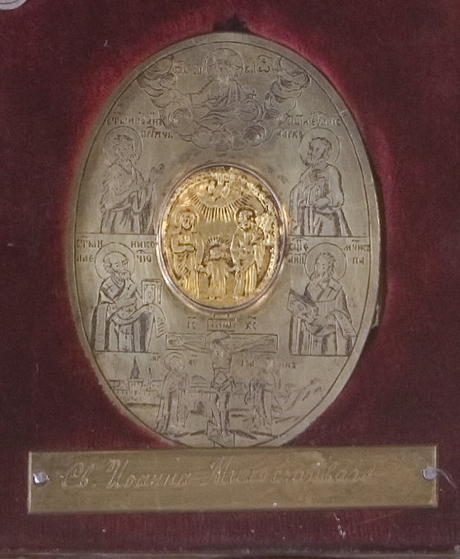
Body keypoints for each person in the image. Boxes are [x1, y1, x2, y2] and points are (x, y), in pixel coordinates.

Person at [288, 252, 355, 355]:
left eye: (323, 267)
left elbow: (343, 316)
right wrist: (301, 312)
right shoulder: (310, 288)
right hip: (309, 337)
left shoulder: (337, 290)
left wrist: (326, 320)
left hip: (329, 338)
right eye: (317, 265)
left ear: (329, 270)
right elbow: (305, 307)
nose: (318, 270)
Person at [100, 128, 161, 234]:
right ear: (118, 151)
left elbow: (142, 202)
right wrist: (130, 190)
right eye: (125, 148)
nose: (130, 151)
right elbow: (108, 203)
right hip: (116, 222)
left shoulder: (135, 173)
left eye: (131, 147)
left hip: (133, 222)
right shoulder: (113, 172)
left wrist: (151, 182)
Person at [289, 136, 351, 236]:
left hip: (326, 220)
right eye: (311, 148)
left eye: (317, 149)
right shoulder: (307, 174)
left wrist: (325, 200)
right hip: (308, 219)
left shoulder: (331, 172)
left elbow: (338, 196)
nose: (312, 152)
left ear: (324, 154)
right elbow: (297, 192)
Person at [91, 251, 150, 352]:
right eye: (118, 265)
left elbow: (140, 304)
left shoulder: (131, 285)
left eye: (124, 263)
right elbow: (102, 310)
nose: (123, 268)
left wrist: (144, 308)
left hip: (132, 327)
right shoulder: (106, 286)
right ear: (110, 268)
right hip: (114, 328)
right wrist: (120, 304)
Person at [231, 207, 265, 299]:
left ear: (252, 220)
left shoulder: (256, 232)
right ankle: (239, 294)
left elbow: (259, 243)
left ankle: (250, 293)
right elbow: (233, 248)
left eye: (248, 218)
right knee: (241, 278)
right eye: (242, 219)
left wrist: (253, 248)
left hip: (251, 260)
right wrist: (237, 259)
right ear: (239, 221)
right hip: (242, 260)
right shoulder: (238, 234)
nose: (245, 221)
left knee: (251, 276)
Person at [169, 209, 204, 297]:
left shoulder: (196, 236)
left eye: (190, 218)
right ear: (179, 220)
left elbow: (200, 249)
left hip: (192, 263)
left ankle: (192, 295)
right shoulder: (176, 235)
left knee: (191, 279)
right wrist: (186, 247)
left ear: (193, 221)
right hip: (180, 262)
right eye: (184, 218)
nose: (187, 220)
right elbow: (175, 248)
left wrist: (198, 262)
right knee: (183, 278)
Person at [156, 353, 189, 435]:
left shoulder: (182, 375)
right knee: (172, 411)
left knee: (180, 411)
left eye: (180, 363)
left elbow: (184, 387)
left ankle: (178, 427)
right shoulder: (169, 375)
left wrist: (181, 386)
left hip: (180, 397)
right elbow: (166, 388)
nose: (179, 365)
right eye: (177, 363)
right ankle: (171, 427)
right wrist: (173, 388)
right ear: (173, 365)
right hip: (172, 398)